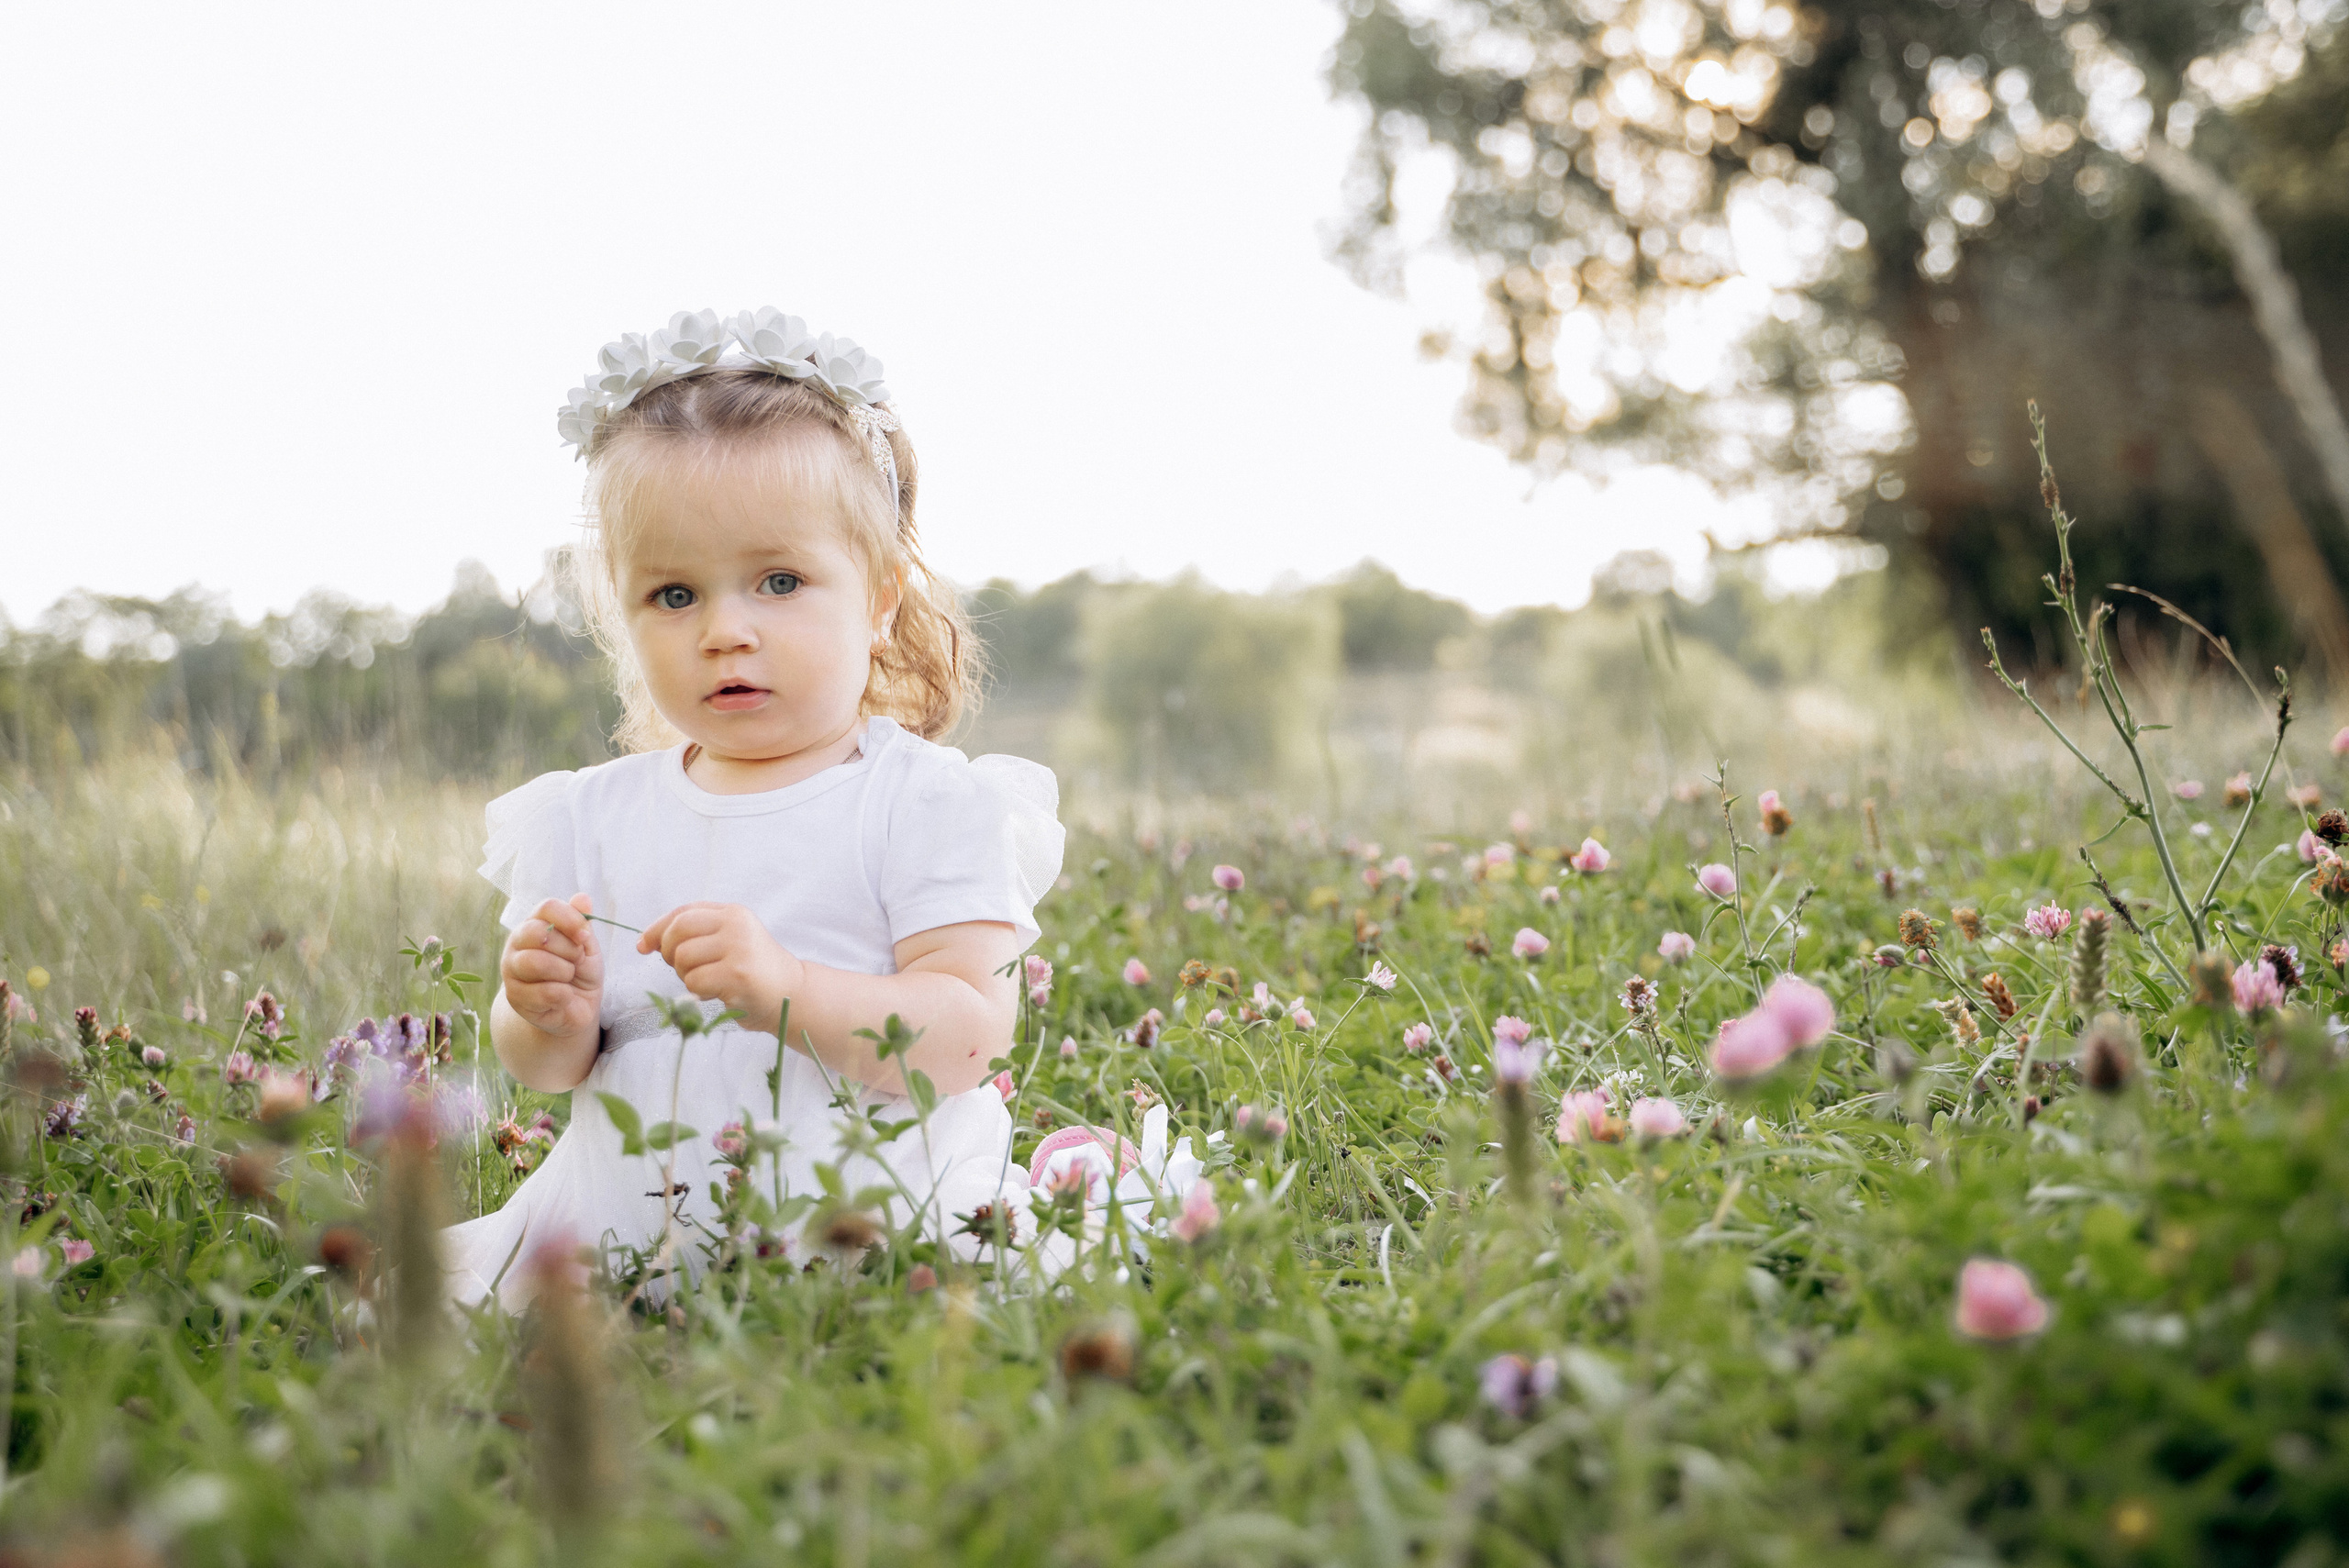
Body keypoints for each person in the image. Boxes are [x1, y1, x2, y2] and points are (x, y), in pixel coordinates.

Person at [441, 310, 1063, 1307]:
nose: (726, 630)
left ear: (879, 598)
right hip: (621, 1235)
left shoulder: (925, 801)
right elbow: (549, 1069)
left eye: (779, 581)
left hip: (875, 1224)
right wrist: (538, 1010)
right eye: (674, 595)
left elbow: (970, 1033)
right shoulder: (587, 816)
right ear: (621, 609)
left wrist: (790, 988)